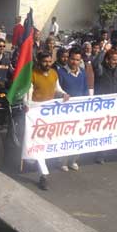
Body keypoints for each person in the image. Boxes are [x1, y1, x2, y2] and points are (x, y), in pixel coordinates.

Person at [28, 51, 69, 190]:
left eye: (49, 61)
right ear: (39, 61)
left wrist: (64, 94)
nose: (47, 64)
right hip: (35, 115)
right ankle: (43, 175)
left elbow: (57, 88)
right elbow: (28, 93)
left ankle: (34, 159)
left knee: (46, 142)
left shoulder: (53, 73)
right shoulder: (32, 74)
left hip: (50, 114)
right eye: (45, 61)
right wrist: (27, 105)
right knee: (39, 144)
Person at [57, 47, 88, 172]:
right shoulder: (61, 72)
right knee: (65, 136)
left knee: (77, 135)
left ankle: (73, 160)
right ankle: (63, 161)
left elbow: (86, 90)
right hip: (65, 110)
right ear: (68, 59)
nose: (75, 62)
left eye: (77, 60)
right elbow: (58, 89)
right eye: (73, 59)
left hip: (79, 110)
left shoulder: (82, 73)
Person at [93, 49, 117, 164]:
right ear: (107, 60)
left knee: (107, 130)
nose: (116, 62)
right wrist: (104, 50)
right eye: (113, 59)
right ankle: (98, 152)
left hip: (113, 105)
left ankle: (102, 153)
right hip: (101, 105)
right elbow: (96, 63)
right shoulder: (101, 69)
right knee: (100, 129)